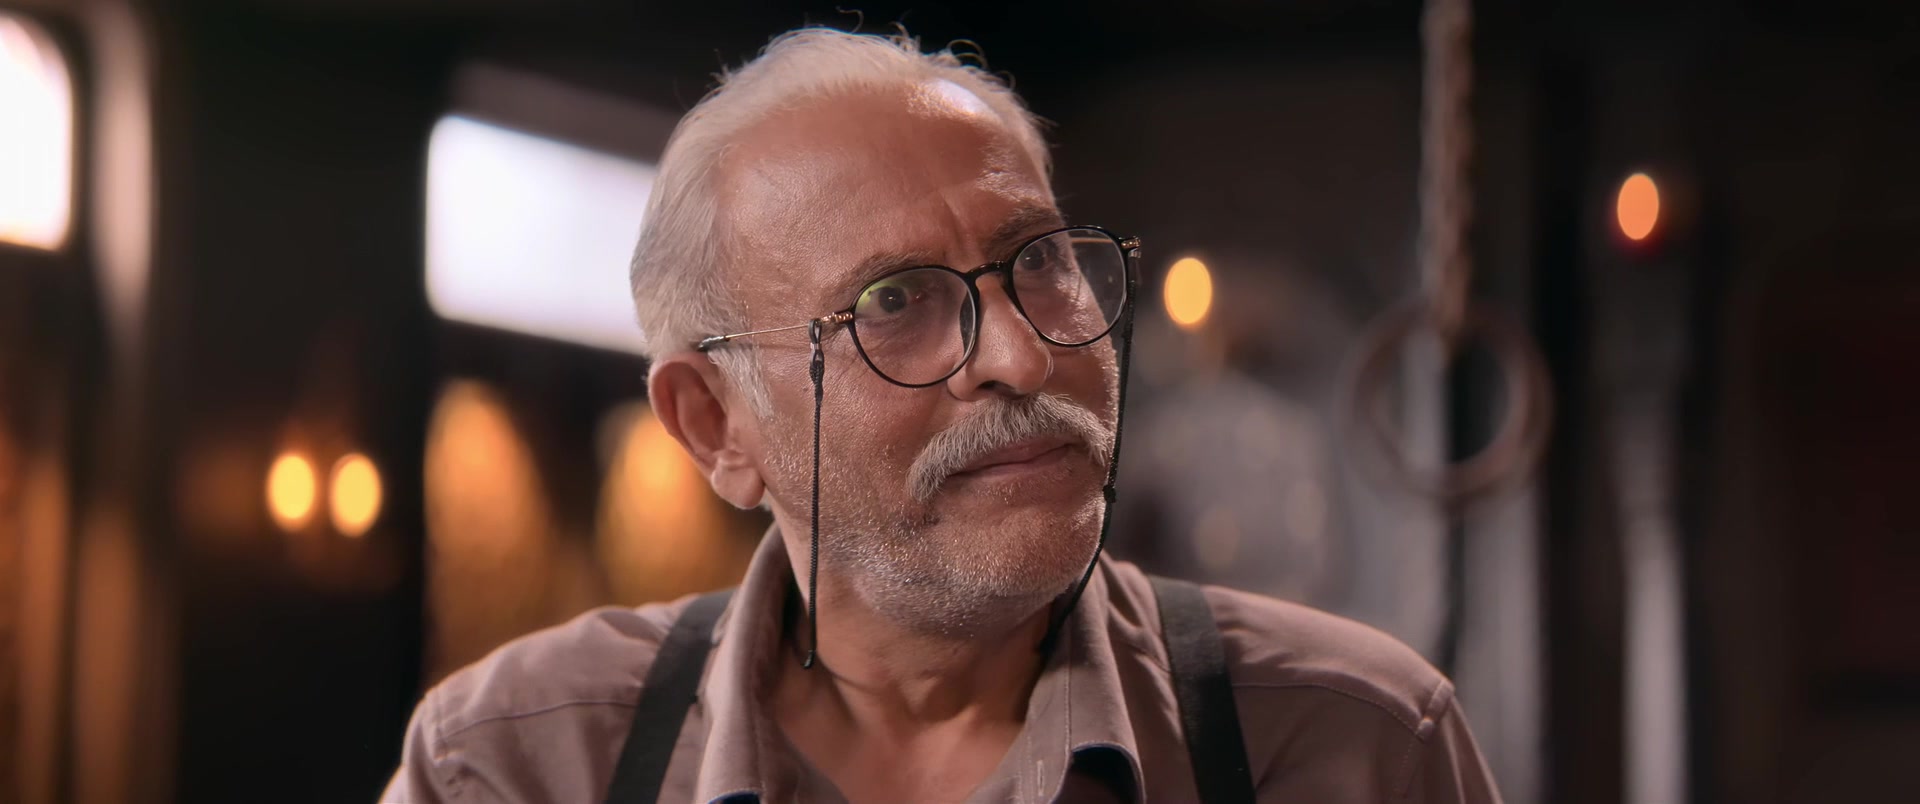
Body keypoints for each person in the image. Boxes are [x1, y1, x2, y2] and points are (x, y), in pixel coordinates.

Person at [383, 27, 1501, 803]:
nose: (1021, 355)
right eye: (894, 302)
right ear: (715, 423)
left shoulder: (1358, 745)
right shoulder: (515, 765)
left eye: (1040, 262)